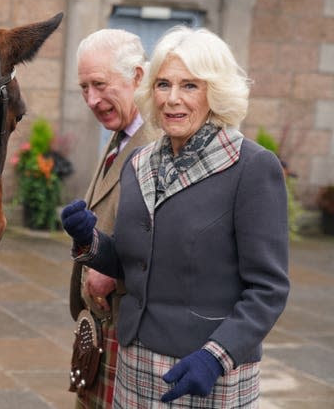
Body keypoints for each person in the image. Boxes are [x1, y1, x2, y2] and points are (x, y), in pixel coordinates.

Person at [61, 25, 290, 408]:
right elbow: (136, 262)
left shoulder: (251, 167)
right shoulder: (139, 162)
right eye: (163, 84)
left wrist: (215, 357)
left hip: (207, 372)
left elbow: (268, 289)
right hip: (136, 363)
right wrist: (91, 241)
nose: (172, 99)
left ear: (215, 92)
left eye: (189, 86)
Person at [68, 29, 158, 408]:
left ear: (138, 77)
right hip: (101, 326)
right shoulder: (122, 132)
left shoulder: (157, 143)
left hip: (130, 327)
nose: (92, 99)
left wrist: (115, 268)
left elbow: (172, 237)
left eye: (100, 84)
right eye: (84, 87)